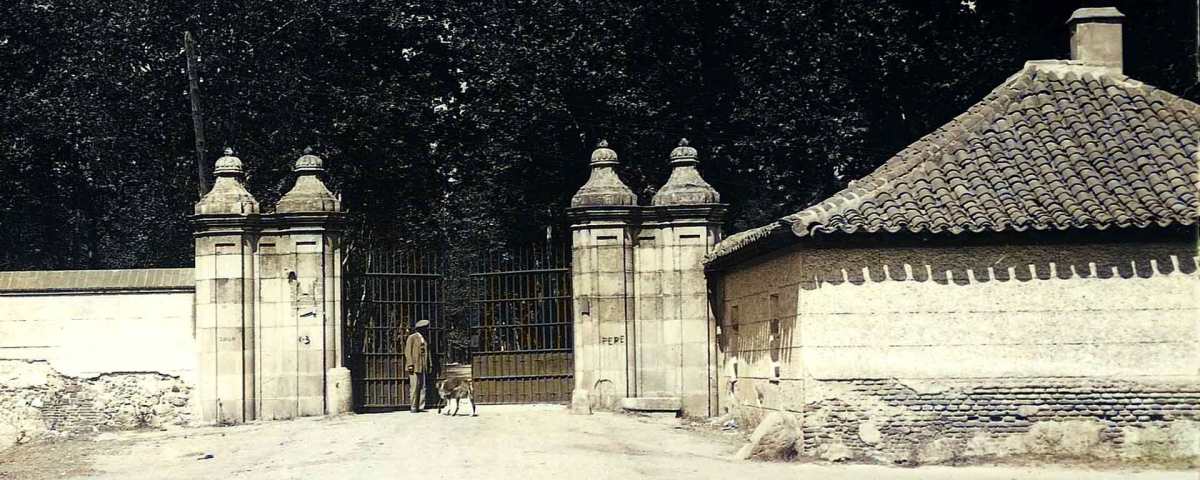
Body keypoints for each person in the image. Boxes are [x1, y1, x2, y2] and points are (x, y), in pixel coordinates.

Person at [404, 319, 431, 412]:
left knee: (423, 386)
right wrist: (410, 364)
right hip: (414, 366)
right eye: (425, 328)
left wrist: (429, 364)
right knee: (414, 386)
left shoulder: (424, 338)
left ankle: (421, 406)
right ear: (420, 329)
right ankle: (413, 407)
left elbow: (427, 352)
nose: (426, 329)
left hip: (422, 365)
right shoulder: (412, 337)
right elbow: (407, 351)